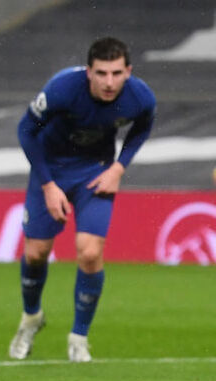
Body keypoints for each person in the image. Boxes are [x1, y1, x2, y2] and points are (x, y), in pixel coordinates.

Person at [9, 36, 155, 363]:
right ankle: (31, 317)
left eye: (117, 73)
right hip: (51, 171)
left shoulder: (140, 97)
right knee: (36, 253)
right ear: (88, 71)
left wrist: (119, 168)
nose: (109, 82)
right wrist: (47, 185)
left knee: (90, 253)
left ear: (128, 71)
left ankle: (79, 336)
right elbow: (25, 130)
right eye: (101, 73)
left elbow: (143, 127)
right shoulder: (63, 88)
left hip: (96, 173)